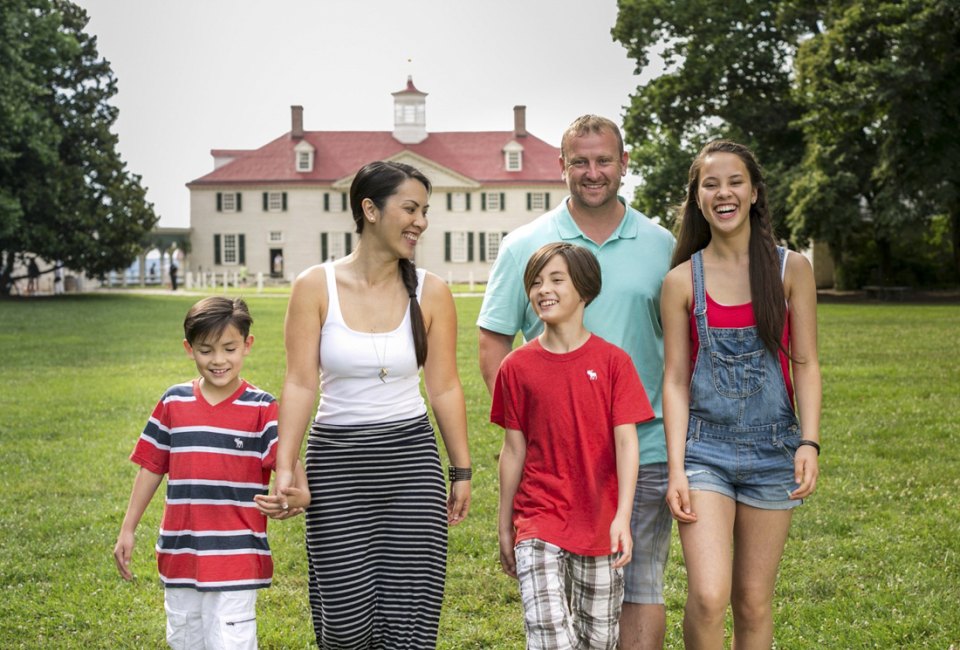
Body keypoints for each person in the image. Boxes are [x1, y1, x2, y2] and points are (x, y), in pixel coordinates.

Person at [478, 114, 675, 649]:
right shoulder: (527, 245)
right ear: (560, 166)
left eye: (604, 160)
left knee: (638, 588)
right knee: (552, 610)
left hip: (645, 448)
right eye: (580, 162)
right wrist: (536, 419)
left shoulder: (662, 244)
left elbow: (681, 351)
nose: (593, 172)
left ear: (624, 164)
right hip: (553, 465)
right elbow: (494, 342)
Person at [271, 160, 472, 649]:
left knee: (410, 616)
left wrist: (461, 471)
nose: (420, 221)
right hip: (336, 465)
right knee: (343, 621)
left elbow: (444, 386)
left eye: (424, 210)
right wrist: (285, 466)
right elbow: (300, 383)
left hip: (411, 465)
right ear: (370, 210)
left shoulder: (432, 292)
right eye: (409, 208)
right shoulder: (314, 286)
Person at [660, 140, 821, 648]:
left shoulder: (791, 269)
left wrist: (809, 442)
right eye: (710, 184)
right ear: (698, 198)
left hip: (775, 450)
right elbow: (674, 380)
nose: (723, 192)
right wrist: (676, 468)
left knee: (752, 600)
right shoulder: (681, 280)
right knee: (709, 596)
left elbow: (807, 362)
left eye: (734, 182)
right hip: (704, 451)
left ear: (753, 192)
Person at [113, 296, 309, 650]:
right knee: (185, 640)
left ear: (247, 346)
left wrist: (298, 494)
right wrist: (128, 528)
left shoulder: (262, 408)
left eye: (229, 348)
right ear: (189, 349)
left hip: (236, 558)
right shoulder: (173, 403)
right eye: (206, 350)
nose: (219, 360)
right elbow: (151, 468)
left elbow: (289, 461)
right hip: (180, 553)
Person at [493, 242, 653, 648]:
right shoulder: (516, 366)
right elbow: (514, 450)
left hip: (600, 523)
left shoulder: (615, 362)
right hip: (538, 518)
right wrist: (505, 524)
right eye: (535, 282)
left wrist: (622, 517)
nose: (542, 289)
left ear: (584, 289)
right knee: (550, 637)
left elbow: (626, 444)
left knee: (598, 639)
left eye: (555, 279)